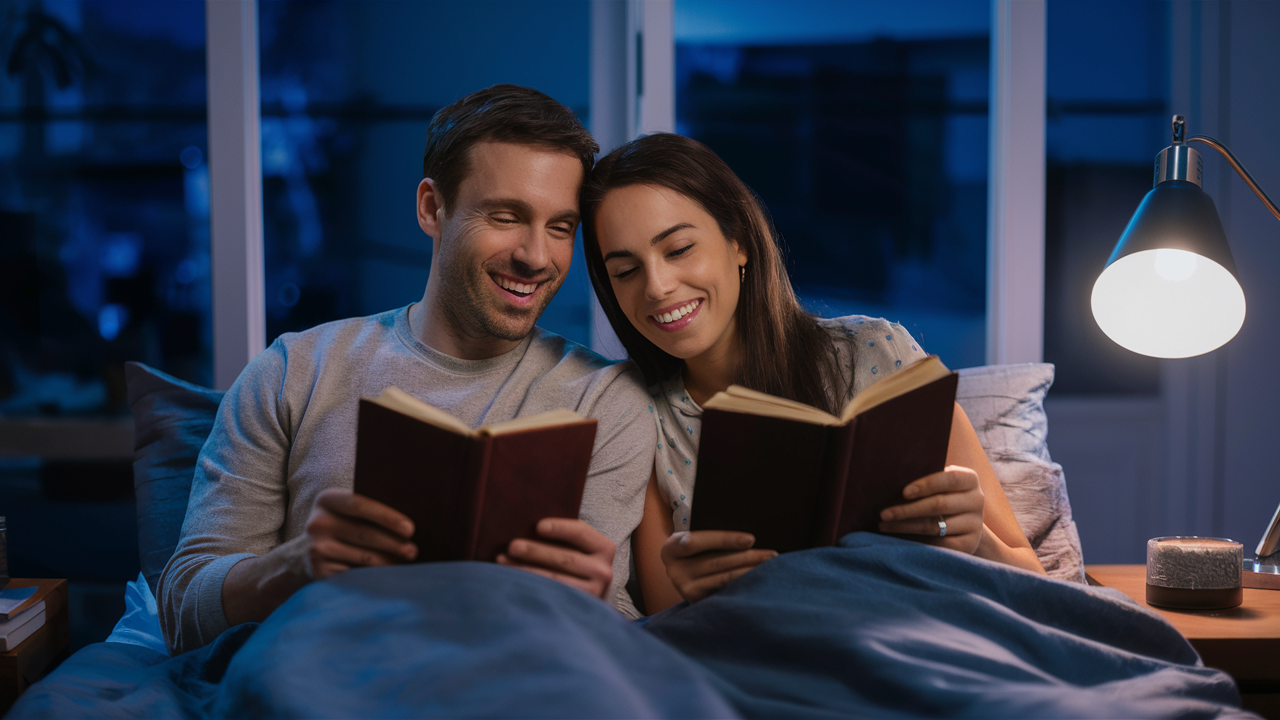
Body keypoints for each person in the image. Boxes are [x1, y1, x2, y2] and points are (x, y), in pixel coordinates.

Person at [159, 85, 656, 656]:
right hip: (322, 682)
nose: (536, 256)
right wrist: (291, 569)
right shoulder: (292, 371)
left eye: (561, 227)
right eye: (505, 216)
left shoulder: (607, 402)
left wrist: (593, 607)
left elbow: (615, 634)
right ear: (431, 208)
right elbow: (180, 613)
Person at [580, 133, 1045, 614]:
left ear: (738, 241)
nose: (657, 287)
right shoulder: (643, 417)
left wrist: (976, 542)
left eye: (678, 249)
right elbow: (664, 627)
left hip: (919, 644)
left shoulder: (877, 352)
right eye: (626, 271)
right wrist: (690, 592)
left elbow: (1033, 583)